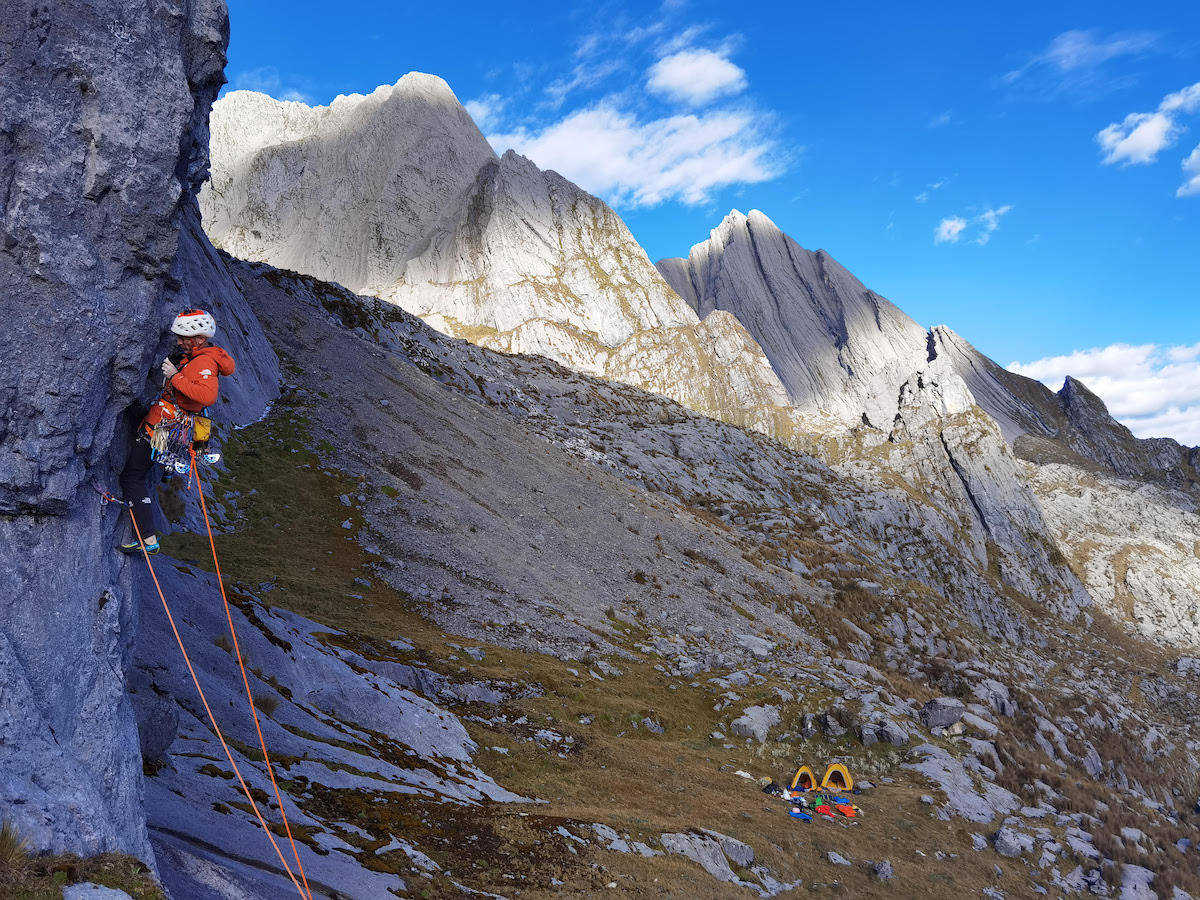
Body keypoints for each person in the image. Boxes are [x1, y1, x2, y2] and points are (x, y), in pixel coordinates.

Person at [118, 309, 236, 554]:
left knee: (132, 476)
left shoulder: (204, 361)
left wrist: (175, 376)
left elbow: (207, 395)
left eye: (185, 337)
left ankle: (148, 540)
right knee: (141, 471)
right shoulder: (199, 355)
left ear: (200, 339)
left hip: (164, 426)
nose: (180, 341)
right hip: (170, 425)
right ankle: (165, 476)